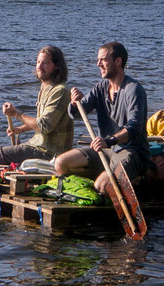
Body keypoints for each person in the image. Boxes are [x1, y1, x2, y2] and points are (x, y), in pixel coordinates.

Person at [55, 41, 149, 194]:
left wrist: (109, 141)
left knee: (102, 186)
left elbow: (134, 127)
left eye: (103, 60)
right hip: (105, 151)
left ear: (118, 61)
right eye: (98, 60)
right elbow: (77, 114)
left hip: (130, 151)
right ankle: (105, 180)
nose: (98, 64)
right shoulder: (101, 88)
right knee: (61, 164)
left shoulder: (134, 89)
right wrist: (74, 103)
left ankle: (127, 180)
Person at [0, 46, 74, 167]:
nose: (39, 66)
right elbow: (42, 121)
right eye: (38, 62)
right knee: (3, 154)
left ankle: (22, 180)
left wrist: (16, 113)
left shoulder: (60, 91)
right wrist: (20, 129)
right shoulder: (46, 87)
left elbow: (44, 126)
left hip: (50, 153)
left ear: (57, 66)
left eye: (45, 63)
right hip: (38, 145)